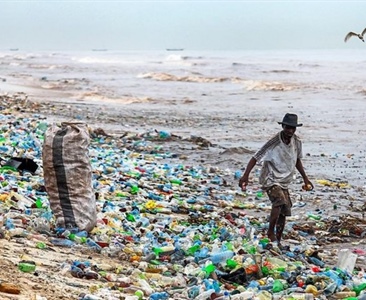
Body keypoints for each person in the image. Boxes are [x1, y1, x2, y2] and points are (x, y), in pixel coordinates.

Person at [238, 113, 313, 244]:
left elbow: (297, 160)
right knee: (279, 201)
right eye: (288, 127)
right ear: (283, 126)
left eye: (293, 128)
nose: (290, 131)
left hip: (284, 179)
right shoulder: (275, 141)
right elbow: (256, 157)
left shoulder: (297, 142)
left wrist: (305, 179)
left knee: (285, 209)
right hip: (270, 177)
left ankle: (277, 240)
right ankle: (270, 232)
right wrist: (245, 175)